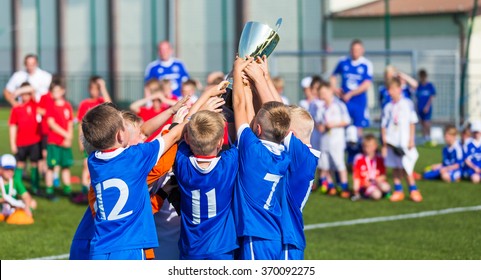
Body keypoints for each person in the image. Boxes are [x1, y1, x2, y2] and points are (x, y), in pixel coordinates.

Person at [81, 99, 189, 260]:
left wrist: (170, 110)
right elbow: (172, 136)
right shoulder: (135, 157)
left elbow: (143, 132)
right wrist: (180, 121)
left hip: (100, 248)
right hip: (130, 246)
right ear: (120, 134)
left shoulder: (94, 161)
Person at [231, 56, 291, 260]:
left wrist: (238, 71)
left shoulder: (252, 151)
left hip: (256, 235)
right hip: (273, 231)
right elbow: (276, 114)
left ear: (256, 128)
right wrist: (258, 80)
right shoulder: (284, 154)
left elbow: (238, 105)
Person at [174, 110, 238, 260]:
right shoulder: (227, 164)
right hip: (221, 248)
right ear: (220, 142)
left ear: (187, 139)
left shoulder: (182, 162)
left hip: (191, 249)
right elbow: (237, 139)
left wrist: (178, 122)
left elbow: (177, 138)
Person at [281, 105, 320, 259]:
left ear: (290, 134)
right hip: (288, 235)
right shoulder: (302, 155)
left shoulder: (302, 157)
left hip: (288, 237)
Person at [381, 77, 422, 202]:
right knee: (395, 166)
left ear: (399, 89)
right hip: (392, 141)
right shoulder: (387, 106)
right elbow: (384, 124)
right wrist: (384, 141)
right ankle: (398, 190)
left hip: (404, 141)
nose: (390, 92)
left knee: (406, 166)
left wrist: (411, 139)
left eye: (392, 89)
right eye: (388, 89)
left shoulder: (407, 103)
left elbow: (412, 122)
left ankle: (413, 189)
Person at [73, 76, 111, 204]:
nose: (94, 91)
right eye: (92, 88)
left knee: (100, 167)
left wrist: (103, 87)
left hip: (100, 140)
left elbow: (110, 106)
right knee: (86, 166)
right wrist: (80, 140)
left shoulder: (102, 101)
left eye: (97, 89)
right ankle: (84, 193)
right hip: (88, 140)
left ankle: (97, 193)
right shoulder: (85, 104)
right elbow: (80, 123)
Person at [330, 39, 373, 135]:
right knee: (343, 124)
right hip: (344, 100)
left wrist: (351, 93)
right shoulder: (343, 61)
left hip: (359, 101)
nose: (355, 52)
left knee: (358, 127)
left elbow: (366, 84)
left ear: (362, 50)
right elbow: (333, 76)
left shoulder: (366, 64)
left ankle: (358, 147)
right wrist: (335, 89)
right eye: (353, 49)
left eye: (358, 50)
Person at [316, 81, 351, 198]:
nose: (323, 95)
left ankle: (344, 187)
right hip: (324, 140)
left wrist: (334, 124)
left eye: (324, 92)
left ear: (330, 91)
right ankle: (331, 186)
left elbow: (347, 120)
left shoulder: (339, 105)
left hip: (336, 140)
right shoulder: (321, 108)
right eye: (321, 93)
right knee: (326, 165)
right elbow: (319, 123)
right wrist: (321, 127)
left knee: (339, 163)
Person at [8, 83, 41, 194]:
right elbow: (12, 127)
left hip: (34, 141)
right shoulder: (16, 108)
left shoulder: (34, 104)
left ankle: (35, 187)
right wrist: (12, 143)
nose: (25, 96)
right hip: (21, 143)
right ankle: (16, 186)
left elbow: (33, 88)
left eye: (27, 93)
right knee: (20, 164)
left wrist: (19, 90)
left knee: (34, 164)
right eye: (22, 94)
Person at [44, 80, 74, 199]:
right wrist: (66, 135)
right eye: (53, 91)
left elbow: (70, 122)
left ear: (62, 91)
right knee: (51, 167)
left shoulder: (67, 106)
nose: (55, 93)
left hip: (65, 143)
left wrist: (69, 138)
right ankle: (49, 190)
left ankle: (67, 189)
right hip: (54, 142)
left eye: (57, 90)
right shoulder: (51, 106)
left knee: (65, 167)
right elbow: (51, 124)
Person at [351, 134, 390, 201]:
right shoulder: (359, 159)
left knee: (385, 187)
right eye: (365, 147)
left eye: (370, 146)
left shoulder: (379, 158)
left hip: (377, 183)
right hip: (366, 185)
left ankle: (384, 192)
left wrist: (379, 179)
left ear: (375, 146)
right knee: (377, 195)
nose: (367, 149)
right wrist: (356, 190)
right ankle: (365, 193)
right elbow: (356, 176)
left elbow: (384, 175)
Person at [0, 154, 36, 225]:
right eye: (7, 169)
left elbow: (26, 196)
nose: (10, 172)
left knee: (33, 203)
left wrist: (27, 207)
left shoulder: (15, 181)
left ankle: (19, 214)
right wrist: (3, 200)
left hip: (13, 208)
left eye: (12, 169)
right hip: (1, 208)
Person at [415, 69, 436, 143]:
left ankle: (428, 136)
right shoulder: (419, 86)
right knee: (422, 122)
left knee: (427, 122)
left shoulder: (429, 86)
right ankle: (424, 137)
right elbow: (416, 97)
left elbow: (432, 96)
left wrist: (427, 106)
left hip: (427, 108)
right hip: (420, 107)